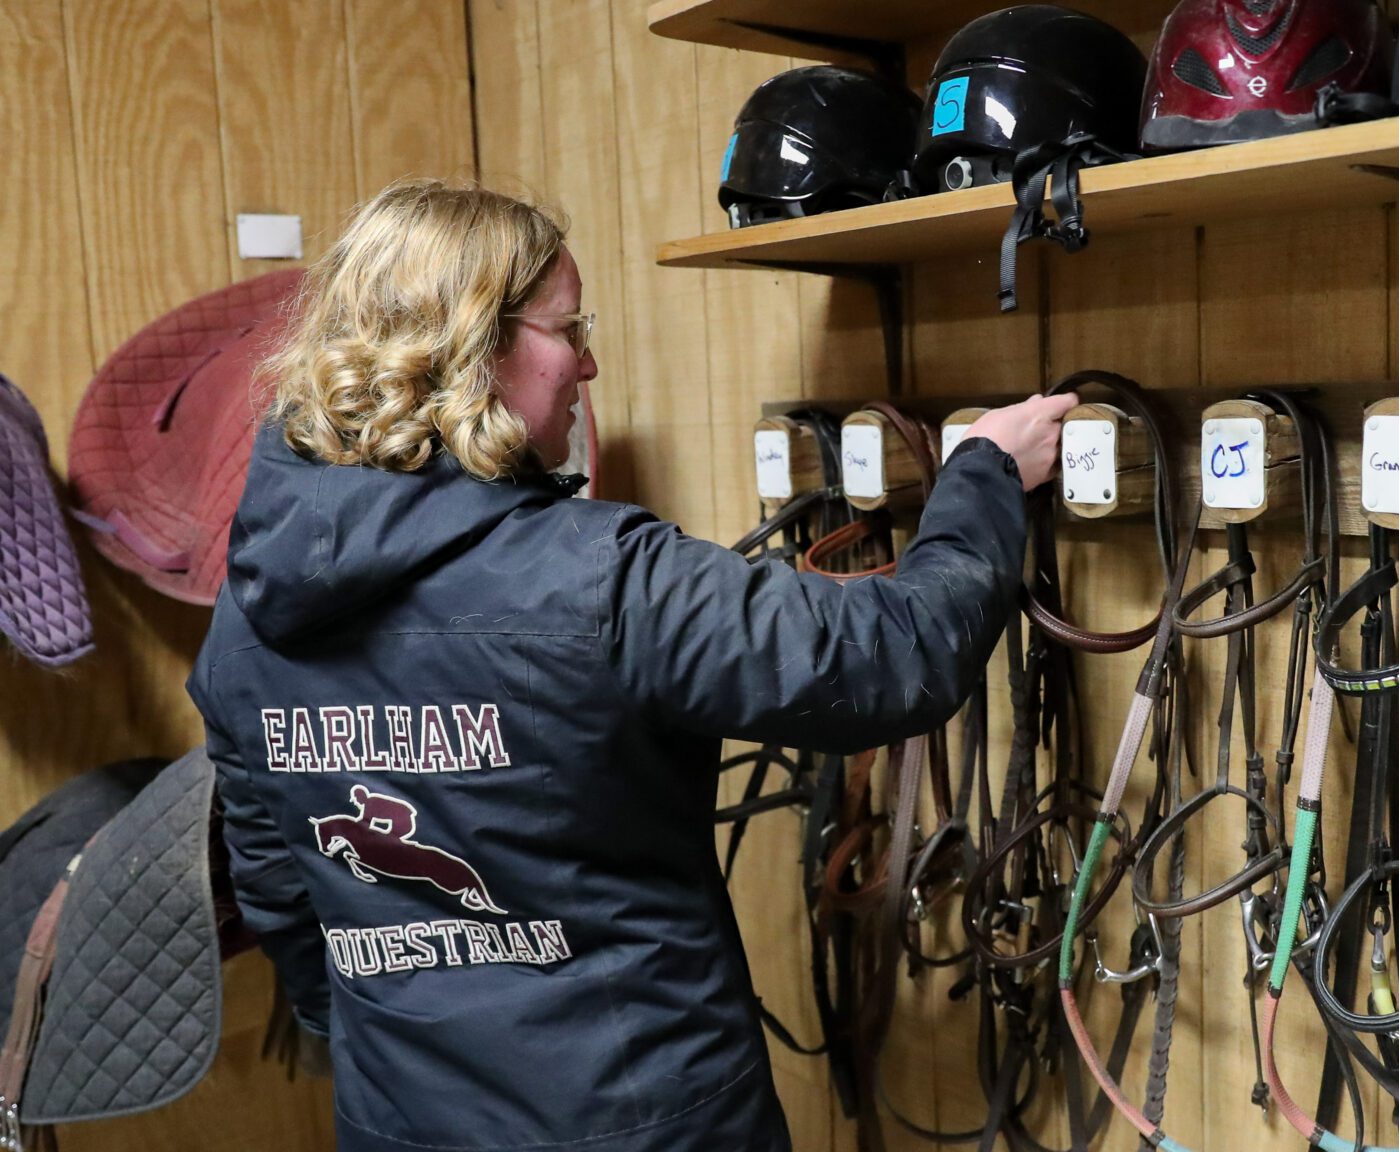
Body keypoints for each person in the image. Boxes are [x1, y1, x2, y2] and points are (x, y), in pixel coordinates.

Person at [186, 178, 1076, 1152]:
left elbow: (276, 883)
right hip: (637, 1119)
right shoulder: (600, 582)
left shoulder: (246, 620)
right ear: (479, 347)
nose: (589, 363)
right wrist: (983, 474)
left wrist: (383, 1035)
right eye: (569, 329)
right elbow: (893, 655)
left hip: (401, 1122)